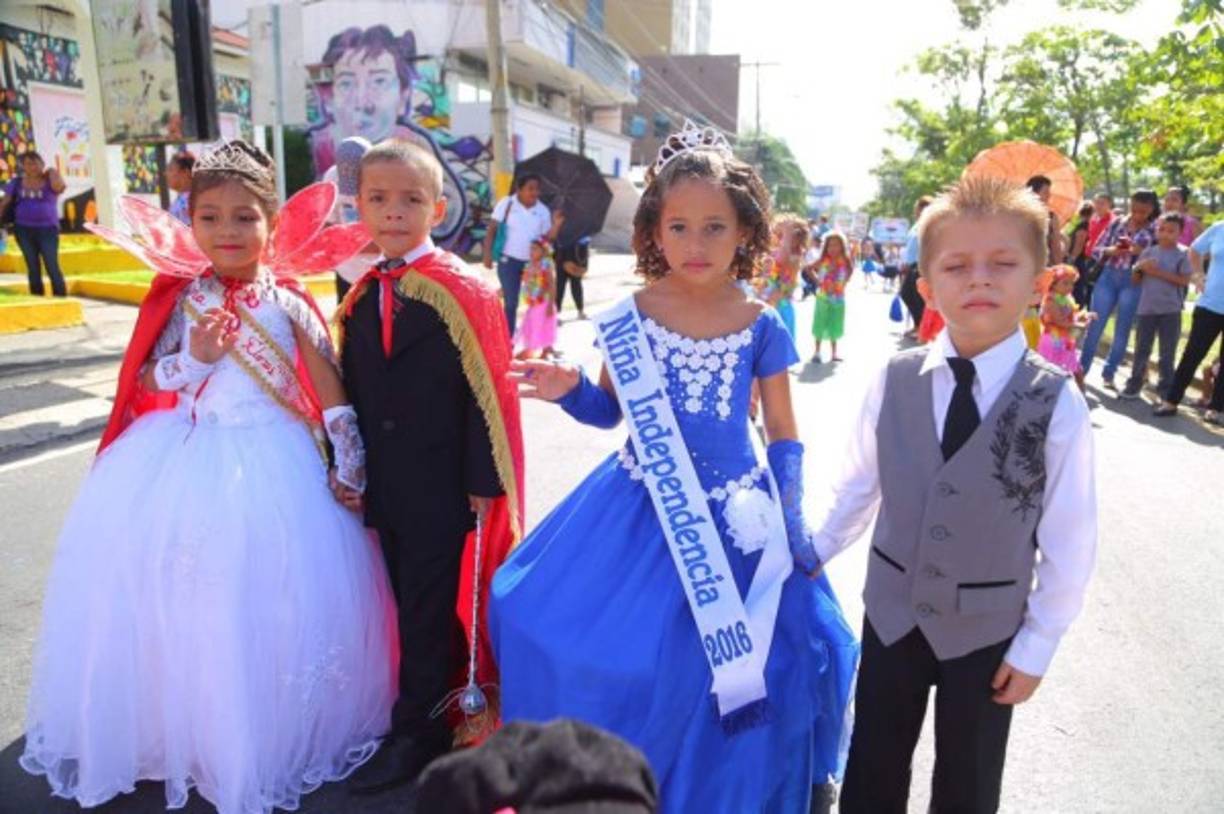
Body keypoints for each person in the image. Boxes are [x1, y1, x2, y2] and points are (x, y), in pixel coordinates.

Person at [20, 141, 396, 813]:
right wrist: (194, 359)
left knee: (265, 599)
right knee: (180, 598)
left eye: (245, 217)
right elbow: (147, 380)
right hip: (187, 455)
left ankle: (260, 732)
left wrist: (351, 463)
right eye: (211, 217)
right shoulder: (182, 297)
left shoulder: (288, 302)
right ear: (189, 222)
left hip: (275, 464)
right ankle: (185, 727)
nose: (228, 232)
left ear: (273, 224)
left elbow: (329, 389)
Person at [490, 126, 857, 813]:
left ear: (745, 231)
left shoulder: (761, 322)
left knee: (759, 662)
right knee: (573, 632)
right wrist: (570, 389)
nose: (696, 243)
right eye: (679, 226)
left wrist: (790, 515)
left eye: (715, 227)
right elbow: (609, 412)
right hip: (636, 506)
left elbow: (782, 430)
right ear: (654, 231)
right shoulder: (629, 316)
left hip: (738, 516)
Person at [815, 176, 1096, 813]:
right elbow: (858, 485)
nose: (980, 280)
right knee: (874, 762)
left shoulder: (1056, 402)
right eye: (956, 266)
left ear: (1040, 282)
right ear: (926, 287)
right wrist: (813, 551)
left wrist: (1038, 643)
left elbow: (1070, 539)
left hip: (987, 630)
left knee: (969, 778)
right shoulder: (895, 379)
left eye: (1003, 264)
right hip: (893, 612)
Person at [337, 139, 525, 793]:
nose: (394, 211)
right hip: (385, 486)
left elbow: (487, 392)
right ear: (360, 207)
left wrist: (481, 481)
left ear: (437, 209)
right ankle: (428, 711)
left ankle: (417, 734)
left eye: (411, 199)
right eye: (379, 199)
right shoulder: (362, 291)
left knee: (428, 609)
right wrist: (350, 465)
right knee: (402, 603)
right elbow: (354, 389)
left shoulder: (465, 288)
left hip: (444, 487)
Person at [1077, 189, 1160, 389]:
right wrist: (1111, 251)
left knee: (1122, 330)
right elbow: (1096, 249)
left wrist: (1141, 252)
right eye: (1134, 209)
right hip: (1108, 276)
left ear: (1151, 209)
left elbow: (1157, 260)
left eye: (1143, 211)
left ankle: (1109, 373)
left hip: (1134, 280)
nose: (1137, 215)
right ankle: (1080, 371)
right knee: (1095, 325)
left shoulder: (1155, 230)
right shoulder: (1117, 223)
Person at [1155, 218, 1224, 425]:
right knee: (1193, 353)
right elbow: (1194, 250)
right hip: (1210, 304)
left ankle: (1216, 409)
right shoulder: (1219, 228)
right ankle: (1171, 400)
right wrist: (1198, 276)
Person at [1120, 213, 1191, 401]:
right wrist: (1138, 268)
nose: (1165, 234)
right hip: (1147, 309)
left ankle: (1165, 388)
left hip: (1171, 310)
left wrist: (1157, 272)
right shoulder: (1148, 252)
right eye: (1161, 229)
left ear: (1180, 233)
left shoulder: (1183, 253)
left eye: (1171, 231)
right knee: (1142, 349)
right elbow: (1136, 280)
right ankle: (1135, 382)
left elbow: (1184, 281)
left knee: (1167, 353)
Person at [483, 173, 564, 335]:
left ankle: (535, 337)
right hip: (508, 261)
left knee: (535, 302)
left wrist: (556, 225)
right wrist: (487, 254)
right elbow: (492, 229)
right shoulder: (506, 203)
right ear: (519, 189)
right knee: (511, 302)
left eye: (537, 189)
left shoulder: (542, 210)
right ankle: (508, 338)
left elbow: (546, 239)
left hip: (533, 265)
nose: (535, 192)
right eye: (530, 188)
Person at [2, 150, 67, 297]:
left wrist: (53, 172)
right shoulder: (16, 182)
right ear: (23, 166)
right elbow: (5, 202)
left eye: (36, 163)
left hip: (48, 230)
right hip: (23, 229)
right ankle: (37, 296)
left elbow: (60, 187)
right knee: (32, 265)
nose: (33, 167)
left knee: (51, 264)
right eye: (28, 164)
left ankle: (60, 296)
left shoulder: (50, 180)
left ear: (42, 164)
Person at [1038, 264, 1095, 389]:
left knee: (1076, 371)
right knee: (1052, 371)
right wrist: (1078, 325)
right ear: (1053, 284)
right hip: (1054, 341)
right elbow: (1059, 321)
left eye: (1072, 283)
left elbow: (1072, 316)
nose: (1070, 287)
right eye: (1065, 283)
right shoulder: (1050, 300)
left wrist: (1084, 315)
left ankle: (1079, 396)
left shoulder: (1067, 298)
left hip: (1066, 339)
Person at [759, 213, 806, 339]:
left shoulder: (794, 258)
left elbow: (783, 259)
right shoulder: (771, 254)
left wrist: (786, 233)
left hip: (781, 307)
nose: (780, 239)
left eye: (785, 235)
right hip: (768, 303)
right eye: (777, 234)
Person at [808, 230, 853, 362]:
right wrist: (818, 281)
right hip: (823, 297)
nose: (833, 248)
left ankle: (834, 354)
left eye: (836, 245)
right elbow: (808, 268)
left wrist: (844, 282)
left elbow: (850, 270)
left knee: (835, 323)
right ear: (826, 247)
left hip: (838, 298)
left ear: (842, 246)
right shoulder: (823, 260)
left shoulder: (845, 260)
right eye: (830, 245)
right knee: (820, 323)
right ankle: (817, 352)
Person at [516, 237, 558, 359]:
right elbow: (527, 282)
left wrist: (550, 304)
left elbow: (551, 285)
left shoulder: (546, 265)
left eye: (535, 249)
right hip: (533, 302)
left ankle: (542, 351)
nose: (531, 252)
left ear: (543, 251)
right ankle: (534, 350)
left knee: (541, 325)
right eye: (530, 249)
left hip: (544, 302)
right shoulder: (530, 264)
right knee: (531, 325)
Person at [899, 196, 933, 329]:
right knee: (906, 294)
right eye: (918, 208)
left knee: (918, 297)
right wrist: (904, 262)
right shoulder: (916, 225)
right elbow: (910, 246)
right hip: (911, 265)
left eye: (922, 209)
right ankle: (917, 325)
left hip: (922, 265)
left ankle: (921, 327)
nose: (918, 211)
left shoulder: (930, 225)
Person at [1066, 200, 1095, 306]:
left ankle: (1077, 307)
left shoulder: (1082, 225)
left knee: (1076, 287)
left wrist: (1072, 259)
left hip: (1077, 259)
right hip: (1079, 258)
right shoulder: (1083, 224)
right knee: (1077, 286)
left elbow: (1079, 243)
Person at [554, 234, 590, 319]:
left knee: (576, 285)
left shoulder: (581, 229)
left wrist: (584, 264)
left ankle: (580, 310)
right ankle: (556, 314)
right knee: (559, 287)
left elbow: (585, 244)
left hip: (576, 259)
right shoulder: (562, 229)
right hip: (561, 257)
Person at [164, 150, 195, 225]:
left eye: (171, 169)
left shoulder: (192, 202)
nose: (166, 173)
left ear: (186, 172)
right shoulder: (182, 200)